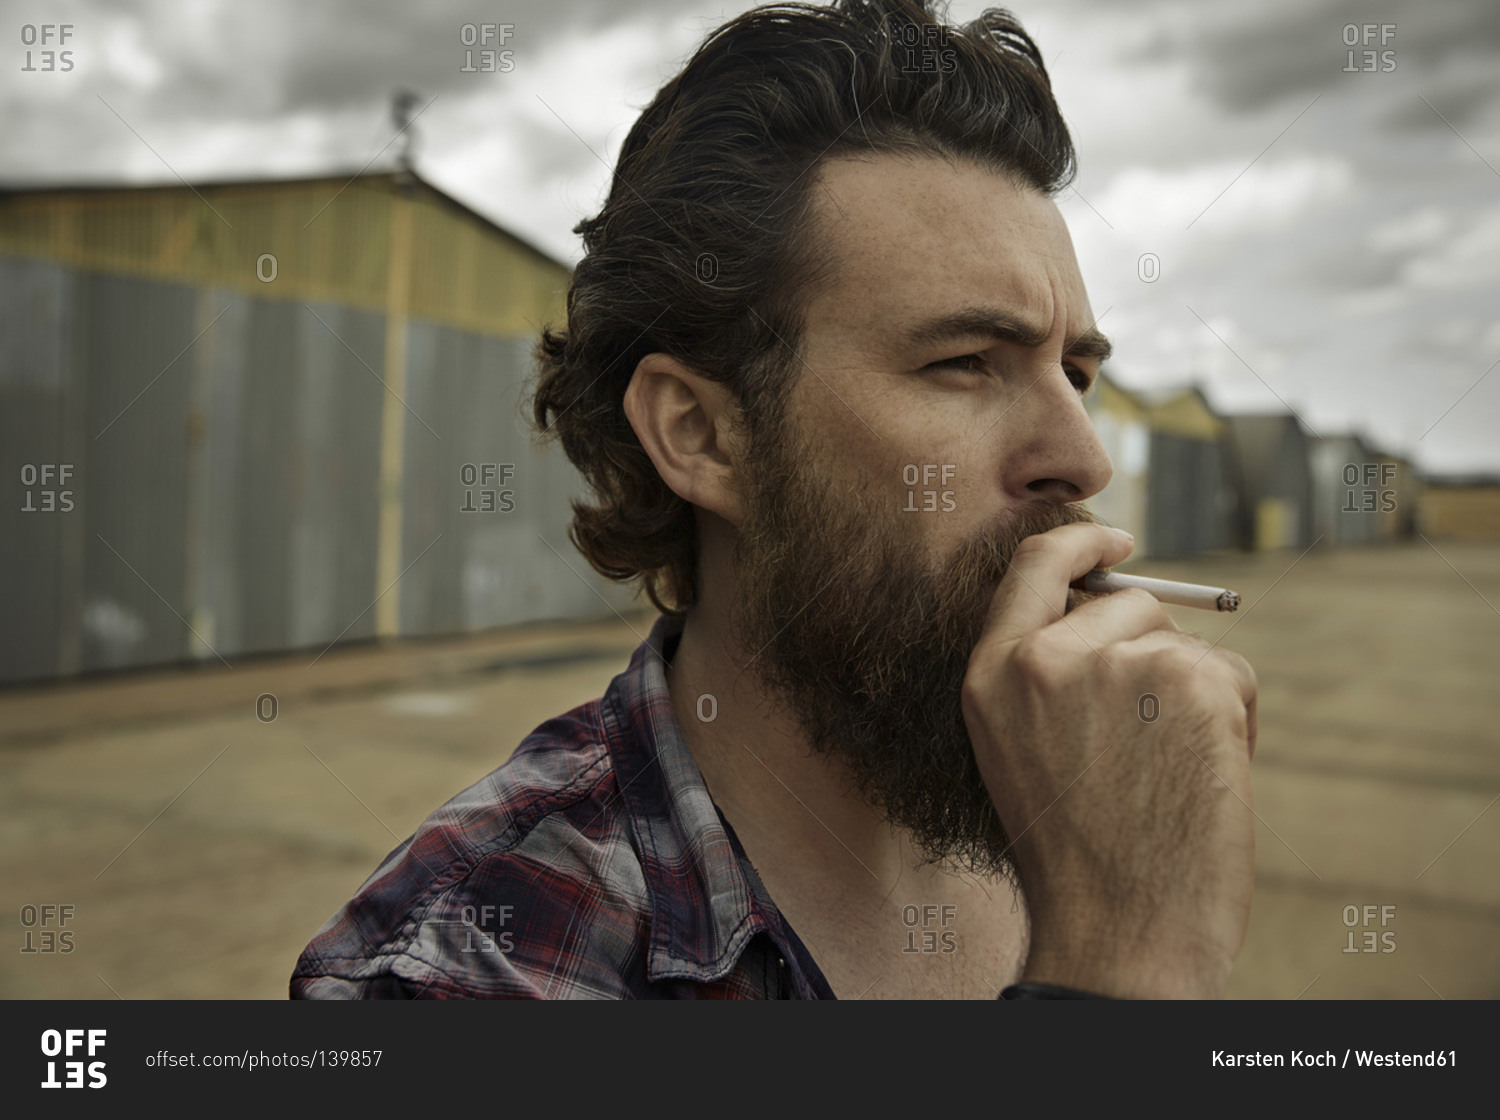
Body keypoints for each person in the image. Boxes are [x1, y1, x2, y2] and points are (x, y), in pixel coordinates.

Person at [291, 0, 1257, 1000]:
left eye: (1078, 372)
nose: (1082, 458)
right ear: (702, 433)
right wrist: (1116, 968)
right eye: (967, 362)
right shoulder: (473, 966)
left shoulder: (1072, 810)